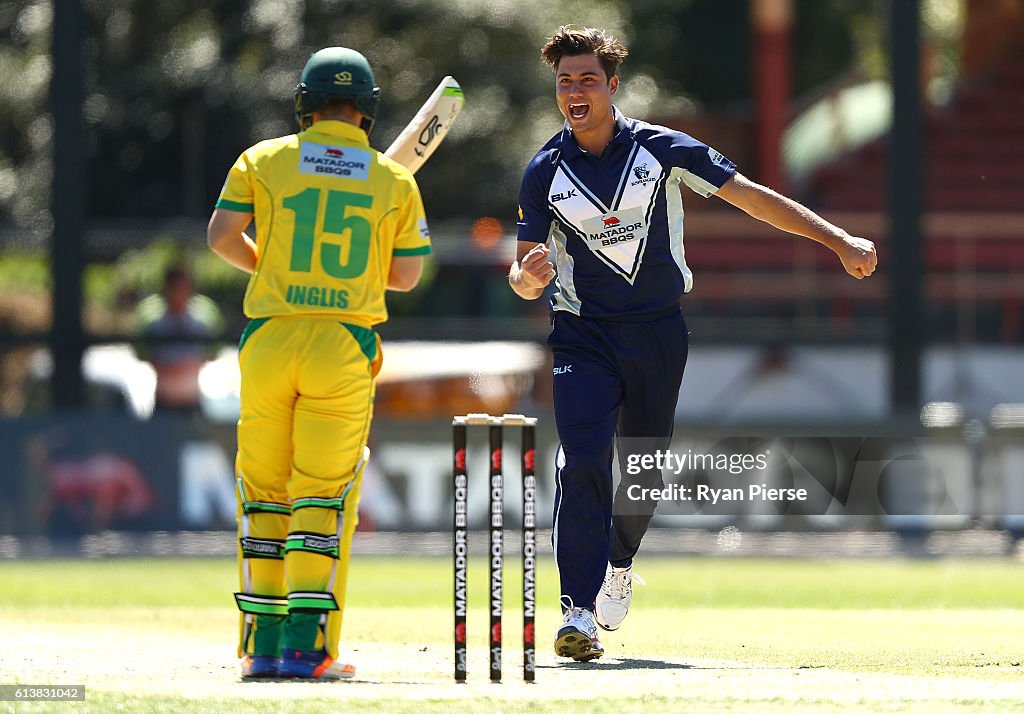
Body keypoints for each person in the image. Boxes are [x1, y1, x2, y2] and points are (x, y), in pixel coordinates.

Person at [509, 26, 877, 662]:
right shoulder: (545, 170)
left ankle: (620, 565)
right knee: (583, 460)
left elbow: (752, 199)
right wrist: (525, 278)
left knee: (642, 470)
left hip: (656, 331)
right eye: (566, 80)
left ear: (611, 86)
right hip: (581, 335)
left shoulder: (662, 150)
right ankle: (577, 609)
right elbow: (522, 273)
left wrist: (837, 241)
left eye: (587, 79)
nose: (575, 90)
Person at [207, 47, 430, 680]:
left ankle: (261, 649)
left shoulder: (262, 159)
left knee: (264, 493)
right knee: (323, 497)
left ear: (305, 104)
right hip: (341, 343)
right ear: (368, 109)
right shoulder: (394, 180)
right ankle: (309, 651)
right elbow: (408, 276)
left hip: (270, 338)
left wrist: (276, 269)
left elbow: (221, 238)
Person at [136, 265, 223, 416]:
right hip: (163, 405)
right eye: (174, 288)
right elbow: (148, 358)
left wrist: (179, 365)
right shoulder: (154, 325)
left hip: (193, 405)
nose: (179, 293)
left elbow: (208, 356)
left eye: (182, 288)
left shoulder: (201, 323)